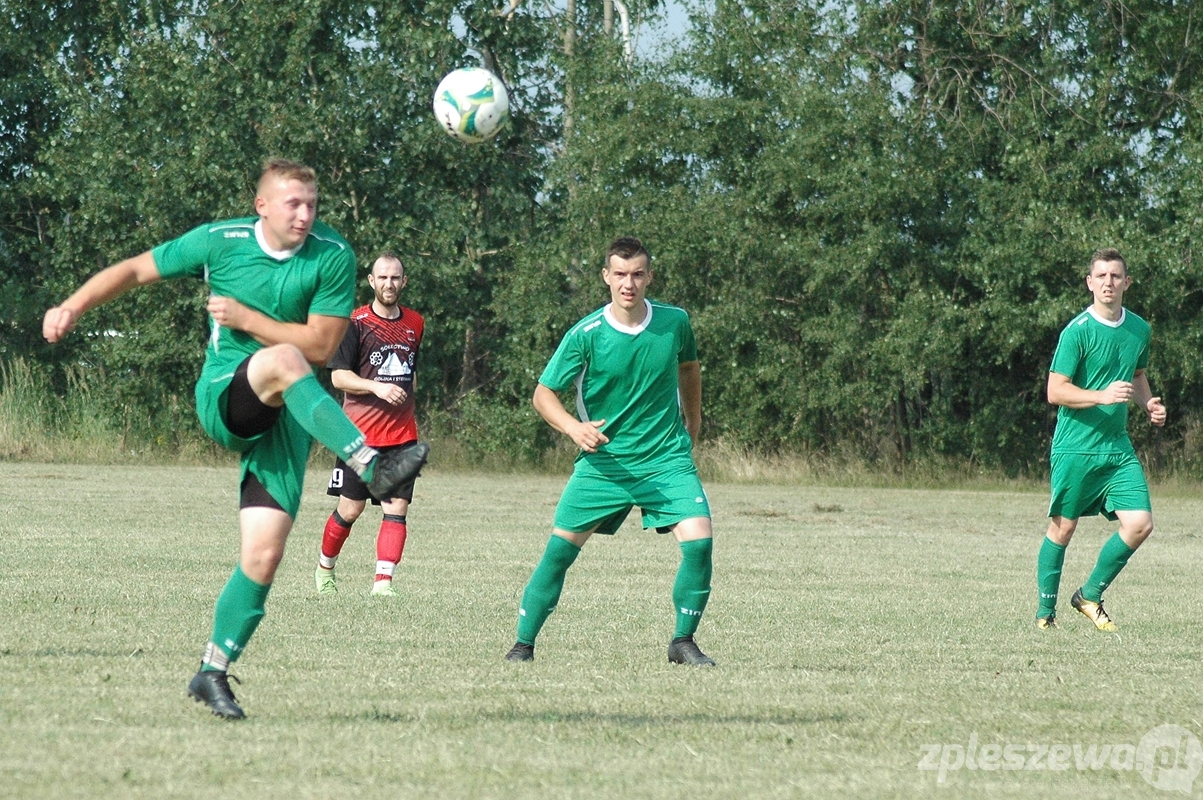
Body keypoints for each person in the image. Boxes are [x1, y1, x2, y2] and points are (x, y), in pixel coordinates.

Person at [42, 158, 428, 719]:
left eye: (312, 204)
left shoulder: (333, 255)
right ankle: (372, 464)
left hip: (293, 415)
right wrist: (73, 304)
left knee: (264, 554)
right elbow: (133, 270)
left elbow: (322, 348)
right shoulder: (220, 241)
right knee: (283, 358)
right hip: (229, 396)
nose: (304, 214)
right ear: (262, 206)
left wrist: (246, 316)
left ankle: (212, 670)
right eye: (292, 203)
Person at [504, 236, 716, 666]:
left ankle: (683, 642)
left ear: (649, 277)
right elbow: (543, 394)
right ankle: (522, 646)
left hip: (665, 459)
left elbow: (689, 367)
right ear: (606, 276)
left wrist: (693, 422)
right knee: (559, 552)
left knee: (699, 545)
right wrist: (572, 428)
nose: (628, 283)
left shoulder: (674, 322)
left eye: (637, 274)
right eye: (620, 274)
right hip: (605, 464)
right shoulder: (586, 334)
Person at [1035, 247, 1166, 631]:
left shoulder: (1140, 329)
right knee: (1063, 529)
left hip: (1116, 447)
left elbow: (1137, 376)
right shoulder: (1076, 332)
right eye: (1101, 276)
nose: (1108, 283)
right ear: (1090, 283)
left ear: (1127, 282)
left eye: (1115, 276)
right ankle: (1045, 615)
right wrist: (1100, 396)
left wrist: (1149, 404)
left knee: (1140, 523)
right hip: (1075, 446)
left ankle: (1089, 595)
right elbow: (1055, 391)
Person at [315, 253, 425, 597]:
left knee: (397, 508)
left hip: (402, 437)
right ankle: (325, 570)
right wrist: (377, 387)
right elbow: (339, 377)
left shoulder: (415, 323)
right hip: (359, 436)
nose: (389, 284)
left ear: (403, 282)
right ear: (371, 281)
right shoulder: (355, 323)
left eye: (395, 278)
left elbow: (411, 373)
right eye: (383, 278)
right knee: (351, 509)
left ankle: (383, 584)